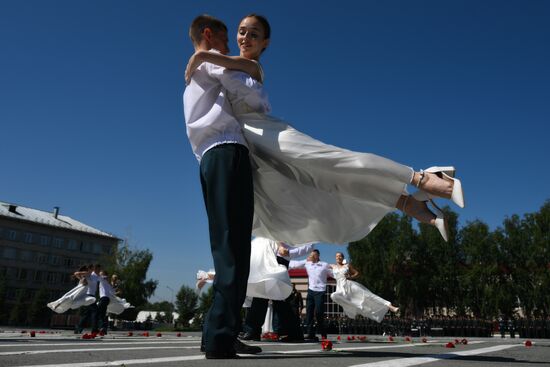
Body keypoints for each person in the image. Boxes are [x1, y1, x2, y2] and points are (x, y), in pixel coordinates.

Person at [185, 14, 465, 246]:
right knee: (317, 188)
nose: (245, 37)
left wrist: (200, 55)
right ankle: (407, 204)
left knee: (334, 161)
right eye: (241, 31)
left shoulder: (250, 66)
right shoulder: (223, 64)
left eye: (254, 34)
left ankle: (425, 179)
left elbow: (231, 65)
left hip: (268, 134)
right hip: (250, 146)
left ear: (265, 42)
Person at [183, 14, 269, 359]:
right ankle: (220, 336)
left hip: (211, 158)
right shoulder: (213, 68)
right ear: (209, 35)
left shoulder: (198, 72)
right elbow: (255, 97)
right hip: (227, 152)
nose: (231, 46)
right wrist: (214, 57)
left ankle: (221, 332)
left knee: (228, 246)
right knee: (233, 250)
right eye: (225, 40)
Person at [241, 240, 313, 342]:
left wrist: (289, 252)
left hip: (280, 258)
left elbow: (310, 244)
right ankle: (252, 330)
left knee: (280, 297)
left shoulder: (301, 227)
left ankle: (293, 332)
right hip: (266, 255)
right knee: (261, 294)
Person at [330, 252, 398, 322]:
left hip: (350, 286)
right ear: (335, 258)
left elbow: (357, 273)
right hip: (340, 289)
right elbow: (319, 265)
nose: (338, 257)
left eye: (340, 256)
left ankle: (390, 306)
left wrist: (351, 276)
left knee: (368, 296)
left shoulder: (347, 266)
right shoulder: (332, 266)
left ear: (343, 258)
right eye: (337, 256)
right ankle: (355, 308)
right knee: (333, 295)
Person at [290, 249, 333, 341]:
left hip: (320, 291)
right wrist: (283, 261)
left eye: (314, 255)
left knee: (318, 313)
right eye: (311, 255)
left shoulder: (324, 265)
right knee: (309, 313)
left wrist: (343, 275)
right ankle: (310, 334)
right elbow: (294, 264)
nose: (312, 256)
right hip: (311, 291)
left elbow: (333, 274)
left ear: (318, 256)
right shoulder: (307, 263)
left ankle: (323, 333)